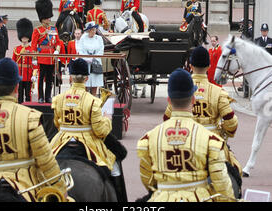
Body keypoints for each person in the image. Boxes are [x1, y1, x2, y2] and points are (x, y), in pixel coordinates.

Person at [0, 58, 67, 202]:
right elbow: (45, 160)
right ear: (17, 87)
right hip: (24, 185)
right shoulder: (30, 117)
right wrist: (60, 187)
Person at [137, 67, 236, 202]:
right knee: (237, 172)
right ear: (193, 100)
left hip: (162, 199)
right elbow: (222, 186)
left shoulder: (148, 140)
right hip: (199, 198)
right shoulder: (211, 141)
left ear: (169, 101)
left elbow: (148, 180)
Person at [162, 48, 242, 188]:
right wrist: (224, 132)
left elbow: (166, 119)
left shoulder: (180, 92)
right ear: (209, 66)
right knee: (236, 171)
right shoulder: (218, 92)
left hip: (183, 144)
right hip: (213, 145)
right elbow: (232, 122)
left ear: (191, 66)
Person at [50, 57, 126, 201]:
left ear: (71, 78)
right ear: (86, 78)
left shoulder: (59, 98)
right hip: (88, 143)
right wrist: (108, 119)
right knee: (114, 166)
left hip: (61, 140)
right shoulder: (93, 101)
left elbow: (57, 124)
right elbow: (100, 131)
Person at [31, 0, 61, 103]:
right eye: (47, 18)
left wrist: (57, 50)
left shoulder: (54, 29)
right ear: (43, 19)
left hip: (51, 58)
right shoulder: (37, 30)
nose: (49, 19)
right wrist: (34, 58)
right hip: (42, 57)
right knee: (41, 79)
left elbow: (57, 42)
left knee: (49, 79)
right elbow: (34, 45)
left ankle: (48, 96)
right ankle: (40, 97)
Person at [12, 18, 36, 104]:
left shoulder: (32, 50)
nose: (24, 39)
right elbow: (13, 62)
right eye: (23, 37)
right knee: (20, 93)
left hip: (28, 74)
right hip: (19, 74)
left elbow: (35, 64)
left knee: (28, 94)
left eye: (26, 37)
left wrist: (34, 74)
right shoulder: (17, 49)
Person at [77, 23, 104, 96]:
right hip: (85, 62)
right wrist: (86, 58)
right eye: (92, 30)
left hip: (96, 62)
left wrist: (94, 58)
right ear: (88, 30)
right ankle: (85, 99)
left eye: (95, 29)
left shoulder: (99, 38)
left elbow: (101, 50)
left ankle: (93, 98)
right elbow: (80, 49)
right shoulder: (83, 38)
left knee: (95, 83)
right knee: (86, 83)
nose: (94, 31)